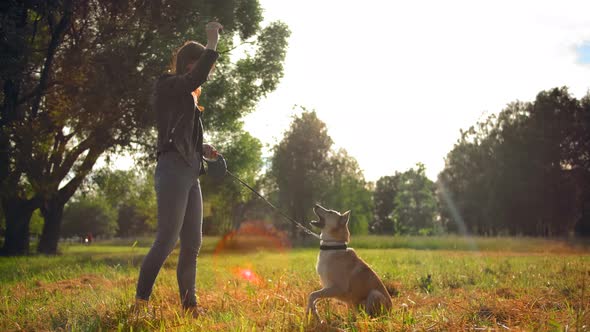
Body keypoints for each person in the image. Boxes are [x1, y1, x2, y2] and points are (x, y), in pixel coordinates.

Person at [133, 21, 223, 317]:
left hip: (190, 172)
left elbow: (185, 134)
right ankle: (140, 303)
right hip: (172, 169)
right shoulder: (168, 84)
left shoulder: (189, 98)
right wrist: (212, 42)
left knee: (193, 243)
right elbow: (194, 78)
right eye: (201, 67)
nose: (204, 74)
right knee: (168, 238)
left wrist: (203, 148)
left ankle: (190, 306)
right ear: (188, 64)